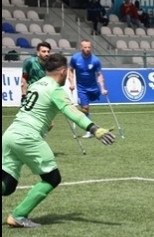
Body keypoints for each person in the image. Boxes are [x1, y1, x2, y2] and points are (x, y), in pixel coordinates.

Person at [3, 53, 116, 228]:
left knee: (7, 184)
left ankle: (18, 215)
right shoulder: (55, 89)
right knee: (52, 178)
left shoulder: (36, 84)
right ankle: (18, 215)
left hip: (10, 134)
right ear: (63, 71)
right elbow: (73, 113)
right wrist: (95, 129)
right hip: (27, 137)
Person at [68, 40, 109, 138]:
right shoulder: (75, 58)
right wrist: (71, 83)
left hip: (94, 88)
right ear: (81, 47)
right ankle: (90, 130)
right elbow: (70, 70)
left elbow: (99, 74)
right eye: (85, 47)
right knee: (85, 109)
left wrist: (103, 88)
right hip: (82, 88)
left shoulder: (95, 60)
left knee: (86, 107)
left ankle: (91, 124)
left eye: (89, 47)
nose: (87, 49)